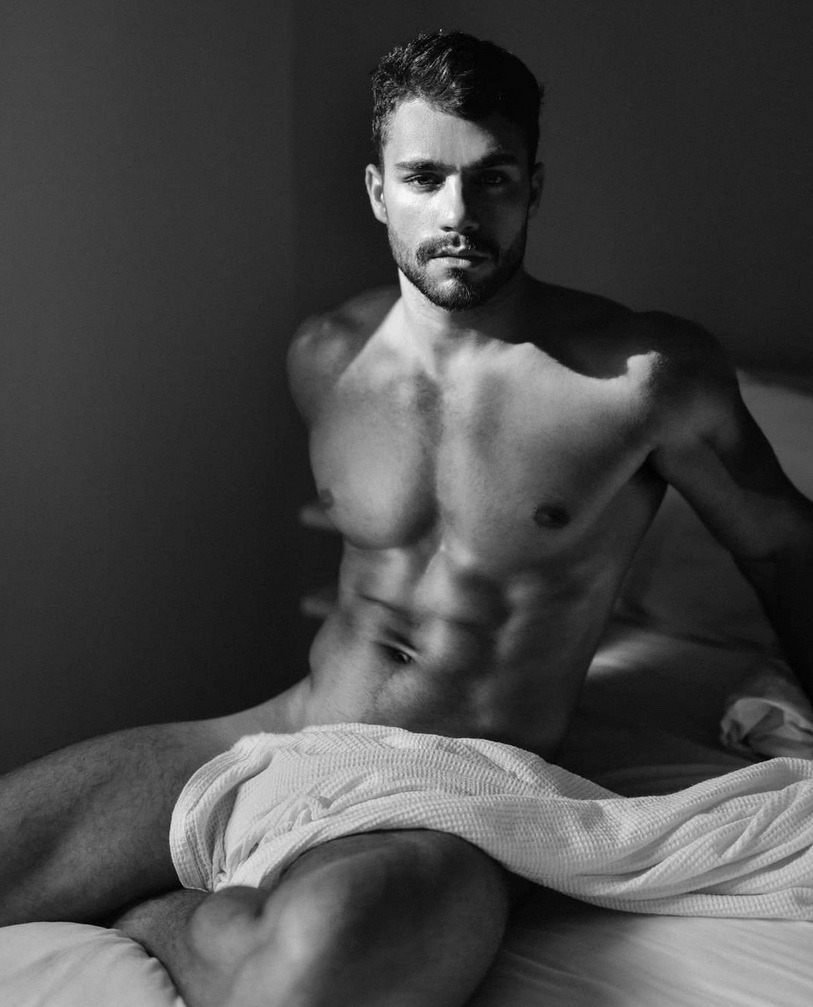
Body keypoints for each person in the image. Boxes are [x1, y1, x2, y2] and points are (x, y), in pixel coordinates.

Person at [2, 29, 812, 1007]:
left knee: (322, 964)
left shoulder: (644, 377)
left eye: (491, 178)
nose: (459, 213)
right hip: (288, 725)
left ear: (532, 187)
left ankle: (148, 916)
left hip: (467, 774)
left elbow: (785, 550)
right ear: (379, 190)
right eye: (425, 178)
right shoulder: (326, 356)